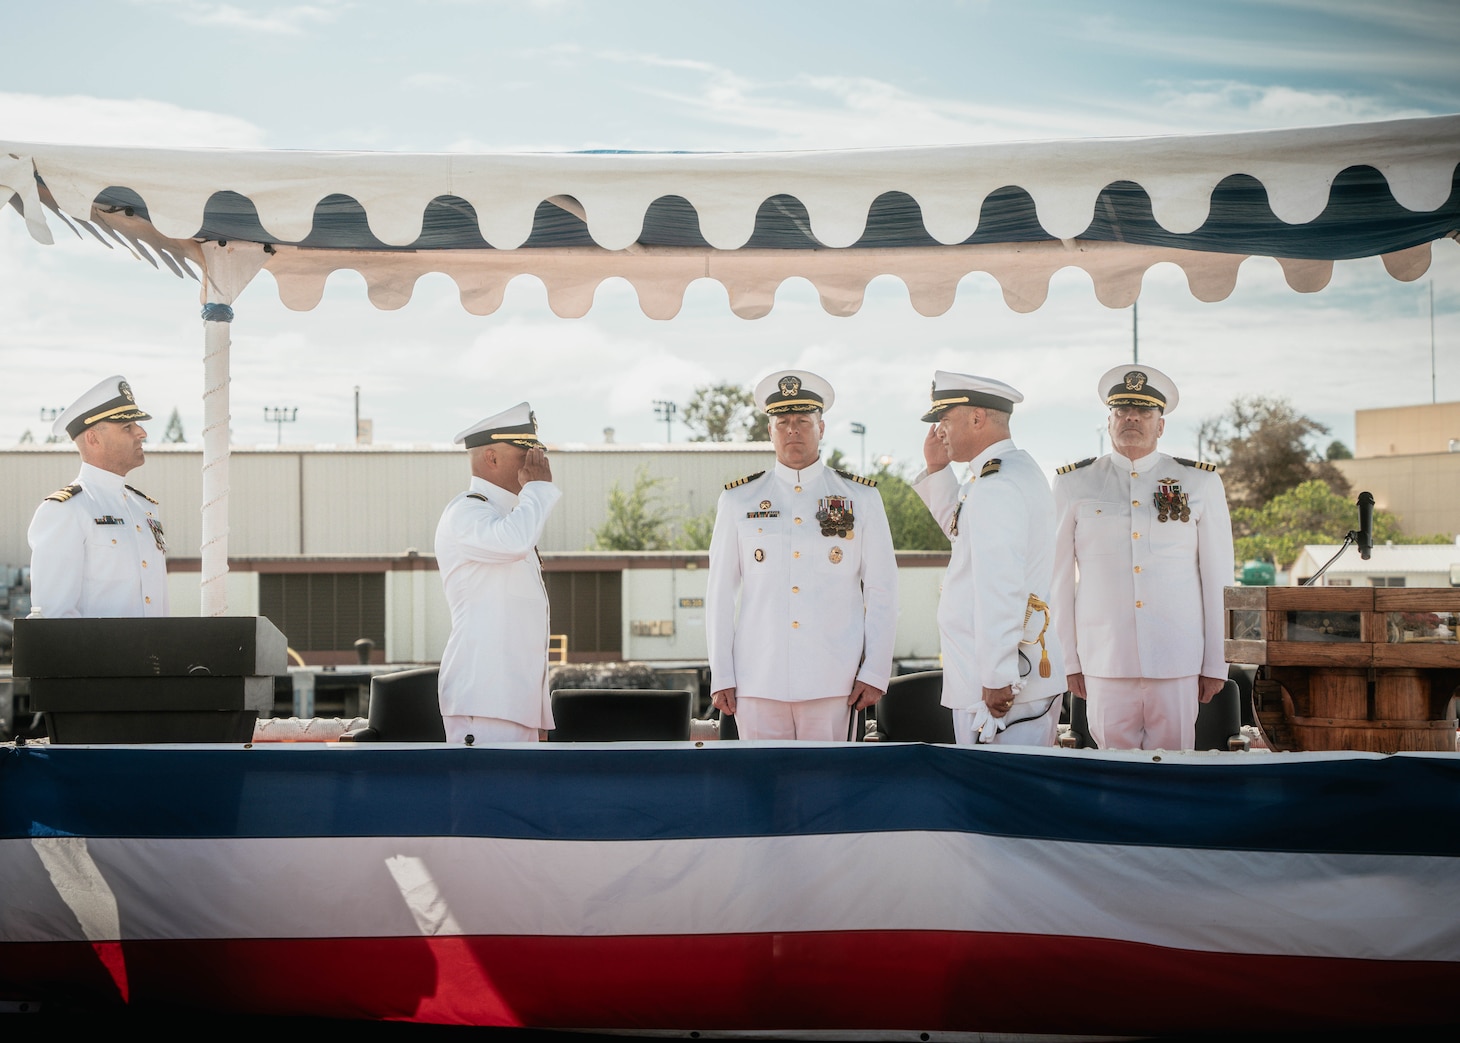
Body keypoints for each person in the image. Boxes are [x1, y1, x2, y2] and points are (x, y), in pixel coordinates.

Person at [1050, 365, 1235, 750]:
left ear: (1161, 425)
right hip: (1104, 658)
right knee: (1112, 771)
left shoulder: (1199, 482)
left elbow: (1219, 578)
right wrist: (1068, 661)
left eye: (1144, 412)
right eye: (1122, 411)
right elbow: (1058, 580)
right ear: (1109, 420)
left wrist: (1216, 663)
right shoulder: (1073, 483)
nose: (1131, 418)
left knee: (1176, 771)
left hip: (1177, 657)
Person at [706, 369, 897, 741]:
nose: (792, 429)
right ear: (770, 430)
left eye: (803, 421)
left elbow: (882, 590)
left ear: (821, 428)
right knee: (762, 790)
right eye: (783, 422)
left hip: (833, 679)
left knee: (829, 789)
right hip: (758, 678)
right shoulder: (738, 500)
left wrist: (874, 672)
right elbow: (719, 595)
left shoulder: (861, 499)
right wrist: (722, 674)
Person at [912, 371, 1066, 746]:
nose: (939, 431)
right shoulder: (999, 475)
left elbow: (1001, 585)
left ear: (977, 418)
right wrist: (937, 470)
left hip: (1002, 689)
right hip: (1001, 680)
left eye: (945, 420)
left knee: (1001, 797)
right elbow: (964, 531)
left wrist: (998, 676)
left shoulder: (997, 484)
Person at [435, 402, 561, 744]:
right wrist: (538, 489)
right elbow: (514, 543)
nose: (536, 462)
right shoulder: (466, 512)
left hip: (512, 702)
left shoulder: (507, 516)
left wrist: (536, 714)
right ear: (491, 458)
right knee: (487, 798)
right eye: (526, 452)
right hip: (486, 698)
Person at [28, 375, 169, 618]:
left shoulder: (144, 508)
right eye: (127, 427)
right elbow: (55, 619)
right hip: (99, 657)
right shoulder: (66, 510)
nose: (142, 433)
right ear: (93, 438)